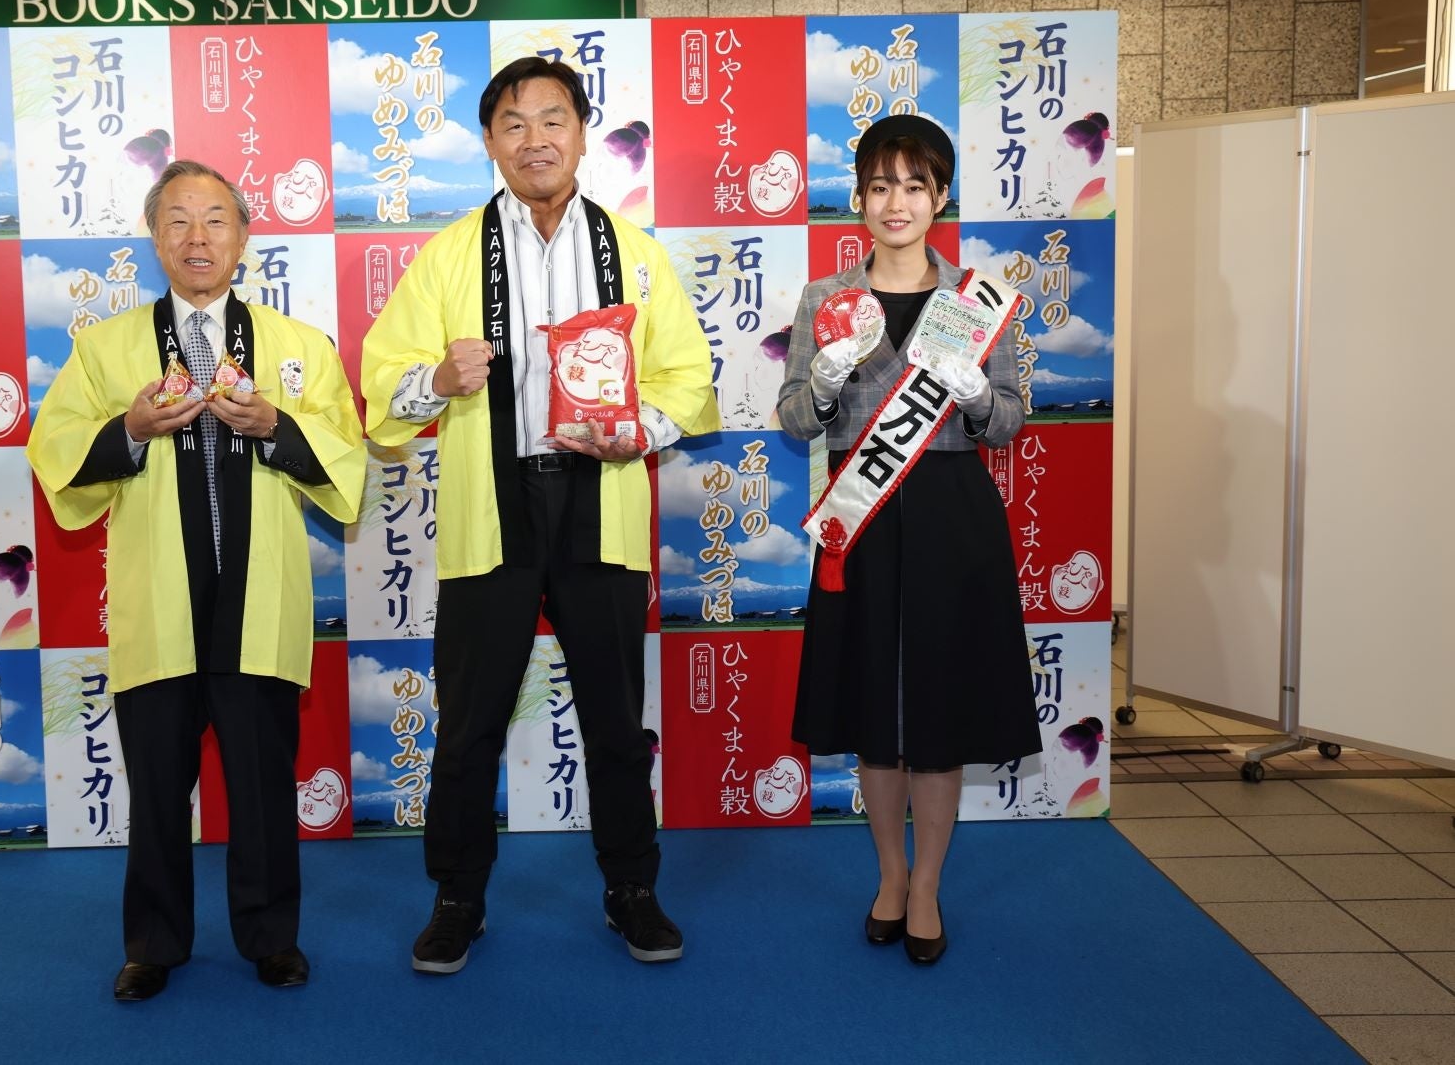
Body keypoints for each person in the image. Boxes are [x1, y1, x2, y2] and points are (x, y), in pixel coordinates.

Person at [361, 57, 717, 975]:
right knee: (467, 722)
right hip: (494, 507)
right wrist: (436, 378)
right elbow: (382, 382)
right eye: (513, 124)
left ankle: (631, 889)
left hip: (601, 500)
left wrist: (636, 430)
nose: (534, 140)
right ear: (488, 141)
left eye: (552, 119)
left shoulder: (634, 253)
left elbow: (687, 378)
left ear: (582, 133)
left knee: (615, 720)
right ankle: (457, 898)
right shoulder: (449, 255)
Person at [27, 160, 367, 1001]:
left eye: (215, 219)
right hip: (159, 603)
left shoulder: (298, 345)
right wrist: (131, 429)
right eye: (176, 220)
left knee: (261, 784)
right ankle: (153, 944)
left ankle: (270, 938)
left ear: (244, 237)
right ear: (154, 239)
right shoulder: (105, 347)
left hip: (260, 599)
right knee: (155, 788)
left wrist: (275, 425)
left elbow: (346, 455)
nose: (197, 238)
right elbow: (55, 447)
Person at [775, 115, 1041, 966]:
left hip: (952, 515)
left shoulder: (975, 300)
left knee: (937, 703)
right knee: (872, 705)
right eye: (881, 185)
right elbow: (793, 418)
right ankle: (888, 875)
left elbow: (1008, 421)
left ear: (941, 197)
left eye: (915, 185)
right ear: (858, 197)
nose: (897, 202)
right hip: (859, 517)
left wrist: (972, 394)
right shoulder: (826, 300)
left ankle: (926, 885)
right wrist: (823, 381)